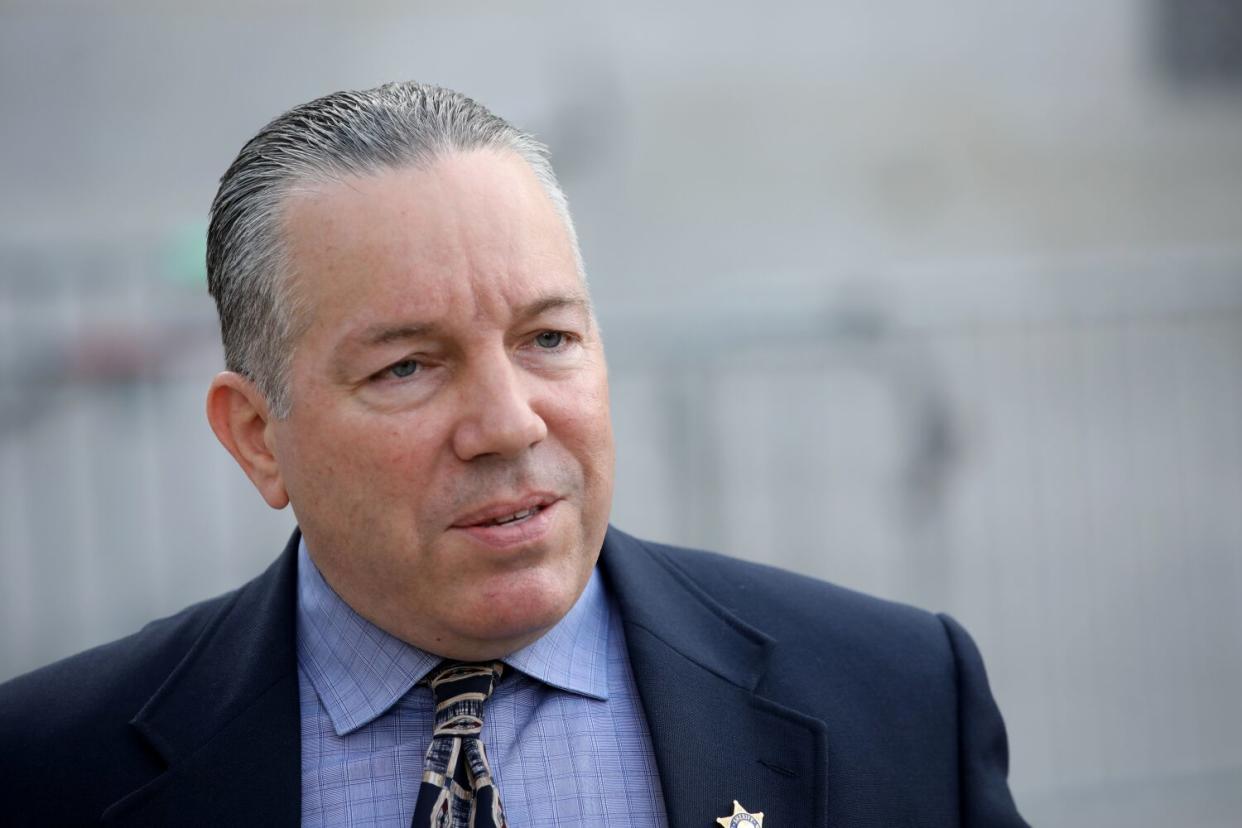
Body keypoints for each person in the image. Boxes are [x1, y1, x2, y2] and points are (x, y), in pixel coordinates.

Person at [0, 82, 1028, 827]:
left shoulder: (896, 702)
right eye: (407, 367)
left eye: (548, 340)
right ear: (259, 440)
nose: (509, 423)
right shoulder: (49, 770)